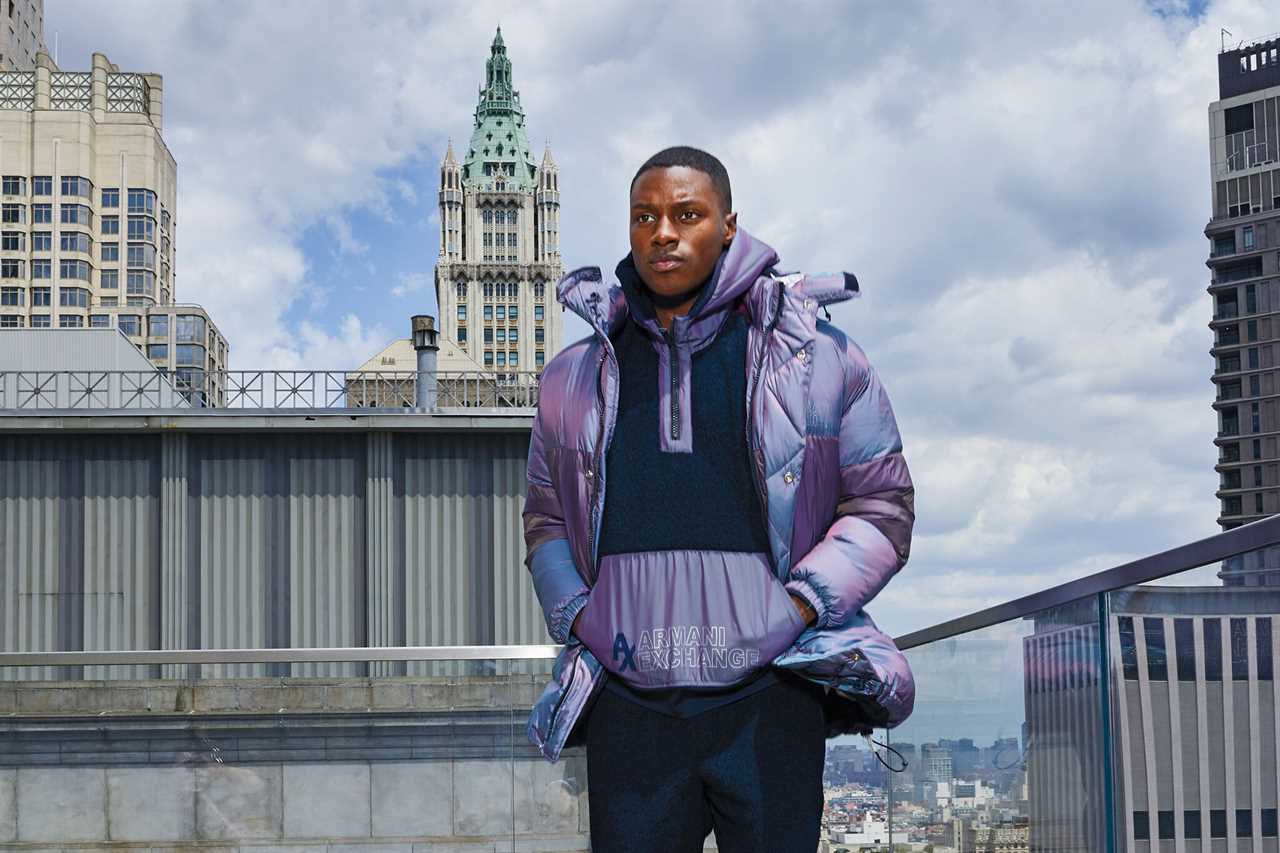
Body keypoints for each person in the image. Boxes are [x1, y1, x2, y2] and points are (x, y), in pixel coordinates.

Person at [522, 145, 916, 853]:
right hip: (629, 709)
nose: (662, 232)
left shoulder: (820, 357)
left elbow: (882, 505)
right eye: (644, 216)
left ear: (729, 225)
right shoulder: (571, 377)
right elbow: (546, 518)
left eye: (687, 214)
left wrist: (798, 605)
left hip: (770, 703)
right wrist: (580, 615)